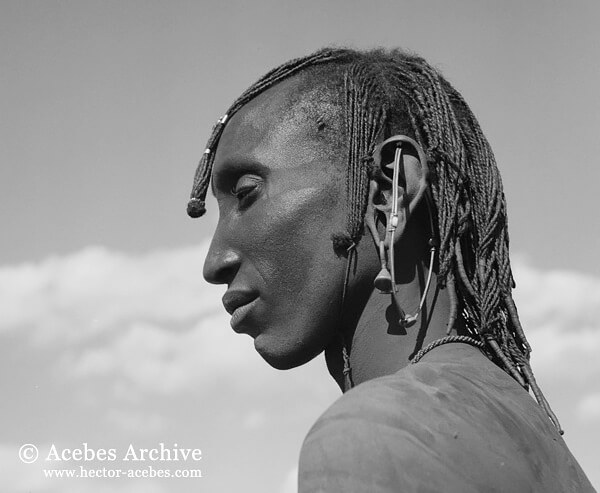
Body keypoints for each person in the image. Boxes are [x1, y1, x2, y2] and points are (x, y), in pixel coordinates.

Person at [187, 48, 594, 492]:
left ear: (389, 192)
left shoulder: (373, 436)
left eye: (247, 194)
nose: (215, 262)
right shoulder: (536, 434)